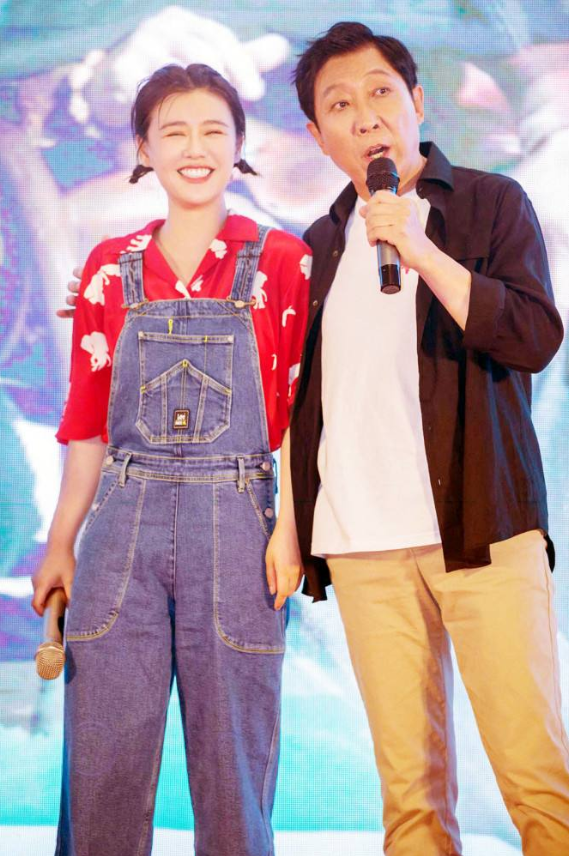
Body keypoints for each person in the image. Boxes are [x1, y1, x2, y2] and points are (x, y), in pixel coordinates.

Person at [289, 21, 569, 856]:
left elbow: (532, 337)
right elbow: (305, 403)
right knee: (408, 801)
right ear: (318, 135)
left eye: (380, 92)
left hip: (480, 530)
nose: (365, 115)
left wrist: (418, 250)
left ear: (415, 101)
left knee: (535, 779)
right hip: (361, 545)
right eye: (339, 104)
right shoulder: (317, 244)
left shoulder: (488, 202)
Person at [31, 62, 309, 856]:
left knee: (235, 762)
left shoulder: (283, 260)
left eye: (213, 130)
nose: (195, 148)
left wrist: (288, 531)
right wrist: (60, 542)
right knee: (103, 759)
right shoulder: (106, 266)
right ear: (143, 149)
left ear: (239, 144)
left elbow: (297, 416)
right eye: (174, 131)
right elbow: (88, 424)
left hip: (241, 526)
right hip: (121, 527)